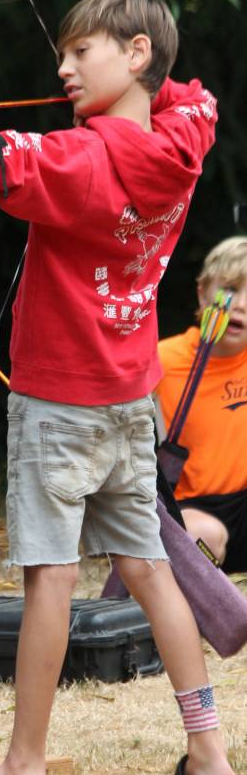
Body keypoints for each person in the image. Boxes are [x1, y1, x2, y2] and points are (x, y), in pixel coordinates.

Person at [0, 0, 239, 775]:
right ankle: (208, 754)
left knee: (51, 578)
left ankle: (22, 768)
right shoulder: (183, 135)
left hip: (60, 403)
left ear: (135, 53)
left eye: (82, 53)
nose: (62, 69)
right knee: (146, 569)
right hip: (128, 400)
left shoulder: (80, 158)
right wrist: (148, 83)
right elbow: (193, 95)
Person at [156, 235, 247, 572]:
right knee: (200, 536)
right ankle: (218, 602)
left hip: (242, 503)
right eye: (231, 289)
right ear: (202, 293)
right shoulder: (164, 360)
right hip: (189, 509)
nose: (240, 305)